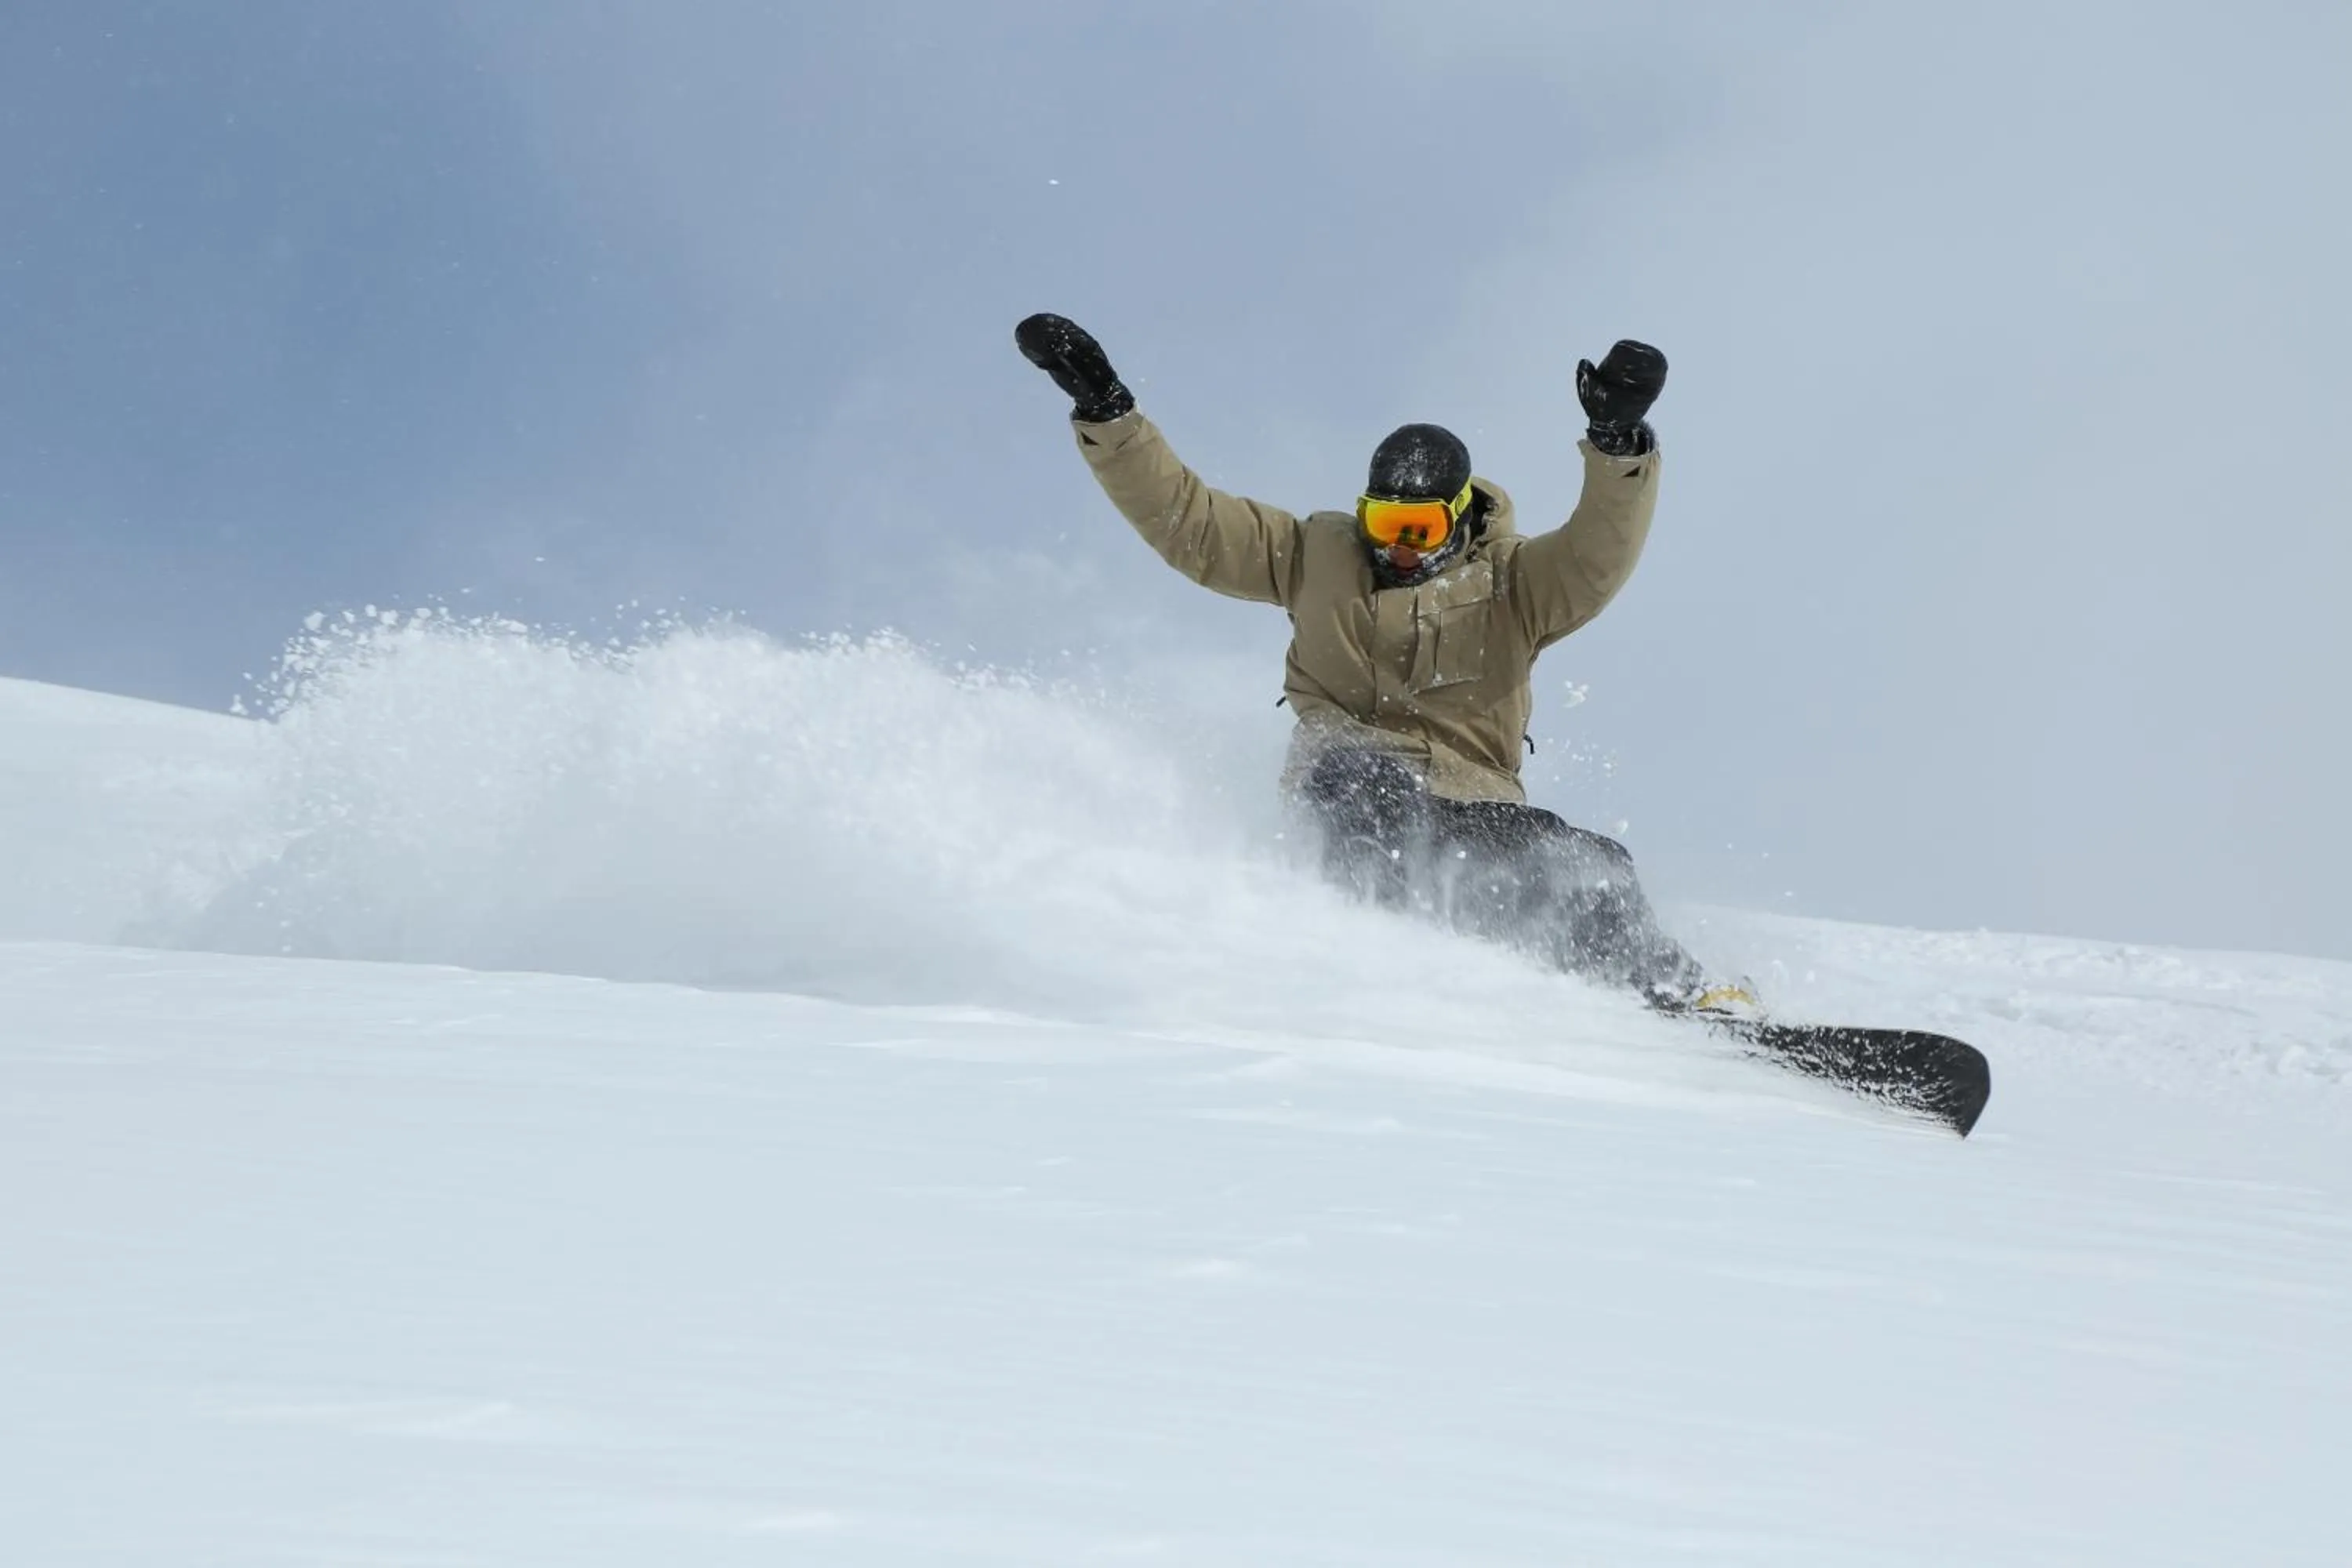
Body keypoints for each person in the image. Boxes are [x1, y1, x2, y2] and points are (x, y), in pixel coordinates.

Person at [1014, 312, 1752, 1014]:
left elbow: (1600, 551)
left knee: (1593, 863)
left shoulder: (1517, 586)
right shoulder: (1312, 555)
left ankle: (1682, 999)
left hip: (1476, 803)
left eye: (1419, 527)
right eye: (1383, 522)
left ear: (1459, 517)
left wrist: (1618, 440)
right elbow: (1190, 521)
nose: (1398, 546)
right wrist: (1109, 411)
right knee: (1366, 791)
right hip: (1350, 780)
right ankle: (1366, 963)